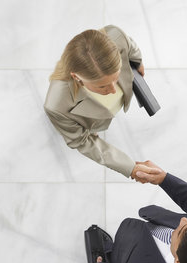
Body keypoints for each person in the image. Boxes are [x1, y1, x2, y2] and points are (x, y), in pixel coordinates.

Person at [44, 25, 154, 181]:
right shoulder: (57, 105)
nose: (113, 90)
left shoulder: (117, 36)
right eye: (102, 86)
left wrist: (138, 62)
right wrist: (131, 168)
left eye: (115, 79)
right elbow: (82, 141)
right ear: (76, 77)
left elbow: (131, 48)